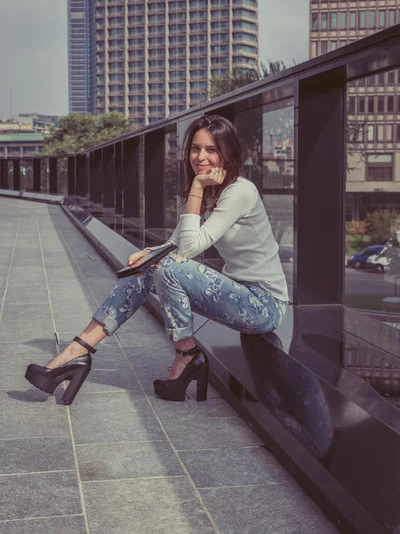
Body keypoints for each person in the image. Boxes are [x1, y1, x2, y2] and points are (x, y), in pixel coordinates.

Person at [25, 115, 289, 405]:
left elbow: (188, 249)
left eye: (211, 150)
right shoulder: (212, 187)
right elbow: (176, 243)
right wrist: (149, 255)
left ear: (228, 153)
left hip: (263, 306)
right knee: (145, 271)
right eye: (195, 148)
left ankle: (186, 356)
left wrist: (197, 189)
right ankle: (77, 350)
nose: (200, 157)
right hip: (235, 295)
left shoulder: (240, 191)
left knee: (170, 268)